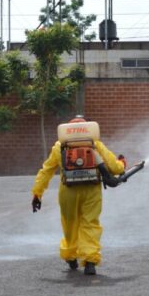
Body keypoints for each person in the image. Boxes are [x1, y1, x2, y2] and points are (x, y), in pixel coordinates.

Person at [31, 115, 126, 276]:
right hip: (91, 190)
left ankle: (71, 256)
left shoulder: (59, 147)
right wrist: (122, 164)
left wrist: (37, 194)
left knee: (70, 225)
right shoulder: (95, 144)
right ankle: (90, 262)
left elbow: (45, 171)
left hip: (68, 191)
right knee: (90, 223)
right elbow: (114, 168)